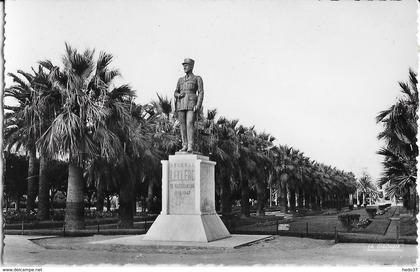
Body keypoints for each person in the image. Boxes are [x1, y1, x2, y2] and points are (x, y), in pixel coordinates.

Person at [174, 58, 204, 153]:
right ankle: (184, 144)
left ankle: (190, 145)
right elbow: (175, 91)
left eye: (186, 65)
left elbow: (201, 92)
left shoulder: (197, 78)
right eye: (184, 65)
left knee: (189, 122)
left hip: (192, 103)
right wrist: (178, 95)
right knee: (182, 124)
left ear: (191, 66)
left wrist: (198, 105)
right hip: (181, 103)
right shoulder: (180, 80)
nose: (184, 67)